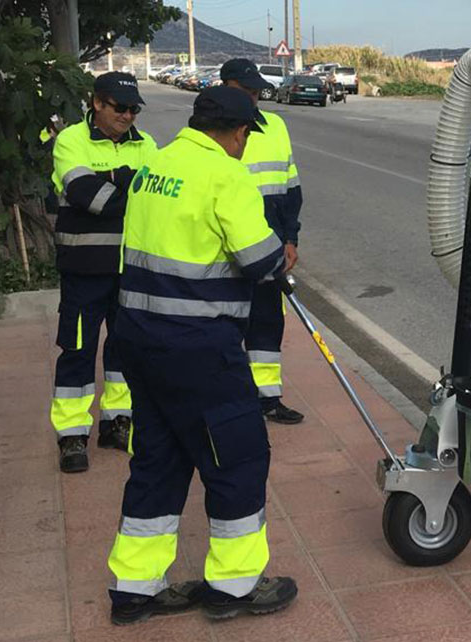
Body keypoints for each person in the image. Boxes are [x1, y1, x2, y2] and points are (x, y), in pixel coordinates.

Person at [106, 86, 297, 625]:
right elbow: (261, 260)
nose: (243, 146)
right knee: (237, 457)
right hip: (198, 348)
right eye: (245, 137)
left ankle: (135, 591)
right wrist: (277, 260)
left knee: (158, 462)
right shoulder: (225, 175)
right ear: (237, 133)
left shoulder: (155, 166)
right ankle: (234, 589)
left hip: (138, 339)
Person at [50, 72, 157, 473]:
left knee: (125, 350)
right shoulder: (70, 141)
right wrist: (129, 181)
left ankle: (117, 421)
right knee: (77, 350)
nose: (128, 116)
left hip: (131, 269)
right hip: (84, 269)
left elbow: (154, 201)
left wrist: (113, 182)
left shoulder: (148, 145)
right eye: (120, 107)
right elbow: (88, 197)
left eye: (134, 109)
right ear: (97, 103)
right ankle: (72, 434)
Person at [219, 58, 306, 425]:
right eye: (245, 91)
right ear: (224, 87)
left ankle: (267, 398)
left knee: (268, 324)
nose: (253, 98)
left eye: (256, 91)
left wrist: (290, 238)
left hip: (269, 248)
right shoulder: (215, 130)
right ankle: (230, 399)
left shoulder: (275, 127)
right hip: (226, 250)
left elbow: (290, 188)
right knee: (226, 328)